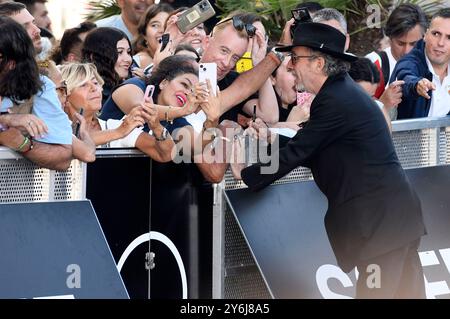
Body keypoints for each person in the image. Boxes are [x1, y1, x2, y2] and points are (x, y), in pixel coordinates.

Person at [233, 22, 426, 298]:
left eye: (295, 58)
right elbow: (315, 147)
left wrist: (247, 174)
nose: (290, 65)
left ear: (319, 63)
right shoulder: (339, 93)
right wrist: (272, 139)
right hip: (396, 222)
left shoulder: (335, 99)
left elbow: (300, 151)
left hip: (381, 230)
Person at [0, 16, 74, 170]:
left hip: (15, 190)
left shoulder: (38, 86)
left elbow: (63, 157)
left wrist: (23, 144)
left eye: (3, 57)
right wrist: (6, 120)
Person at [391, 8, 450, 119]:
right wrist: (417, 85)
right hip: (406, 136)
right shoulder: (410, 61)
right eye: (436, 34)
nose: (441, 43)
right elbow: (405, 75)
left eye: (449, 37)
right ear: (426, 35)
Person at [366, 4, 427, 99]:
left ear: (424, 37)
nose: (407, 51)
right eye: (400, 43)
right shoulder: (374, 63)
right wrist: (383, 103)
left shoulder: (433, 66)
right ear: (390, 38)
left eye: (413, 44)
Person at [81, 27, 133, 105]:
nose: (128, 59)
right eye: (119, 52)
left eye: (128, 52)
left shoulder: (131, 83)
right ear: (94, 56)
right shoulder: (90, 94)